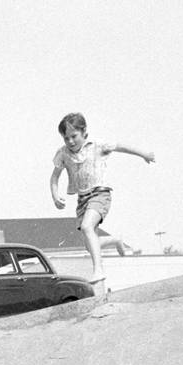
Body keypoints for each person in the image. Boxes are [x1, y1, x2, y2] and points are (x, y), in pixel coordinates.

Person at [50, 112, 154, 299]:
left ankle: (98, 270)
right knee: (91, 246)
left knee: (88, 226)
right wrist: (55, 195)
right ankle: (115, 241)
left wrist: (144, 154)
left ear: (84, 133)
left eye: (74, 136)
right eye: (66, 138)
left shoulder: (97, 145)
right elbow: (54, 177)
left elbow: (121, 146)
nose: (70, 141)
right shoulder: (63, 153)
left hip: (100, 194)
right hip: (82, 200)